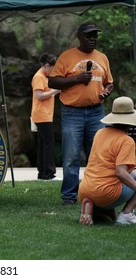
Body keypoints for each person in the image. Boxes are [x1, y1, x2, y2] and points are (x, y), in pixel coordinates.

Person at [48, 22, 114, 206]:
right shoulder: (67, 56)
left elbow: (109, 82)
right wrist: (77, 78)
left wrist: (107, 91)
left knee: (98, 155)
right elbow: (52, 82)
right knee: (71, 157)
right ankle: (69, 197)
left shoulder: (102, 58)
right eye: (88, 35)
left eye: (95, 36)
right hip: (72, 113)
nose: (92, 39)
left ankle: (96, 193)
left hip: (96, 112)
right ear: (79, 37)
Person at [78, 96, 136, 225]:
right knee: (132, 179)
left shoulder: (100, 133)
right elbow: (121, 172)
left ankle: (92, 206)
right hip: (106, 193)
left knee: (128, 177)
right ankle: (126, 215)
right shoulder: (127, 141)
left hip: (85, 189)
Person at [31, 53, 61, 181]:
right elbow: (39, 95)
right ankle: (49, 174)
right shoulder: (39, 77)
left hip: (44, 115)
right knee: (49, 143)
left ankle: (42, 173)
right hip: (42, 115)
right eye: (53, 69)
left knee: (43, 144)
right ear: (47, 66)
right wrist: (56, 90)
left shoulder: (43, 76)